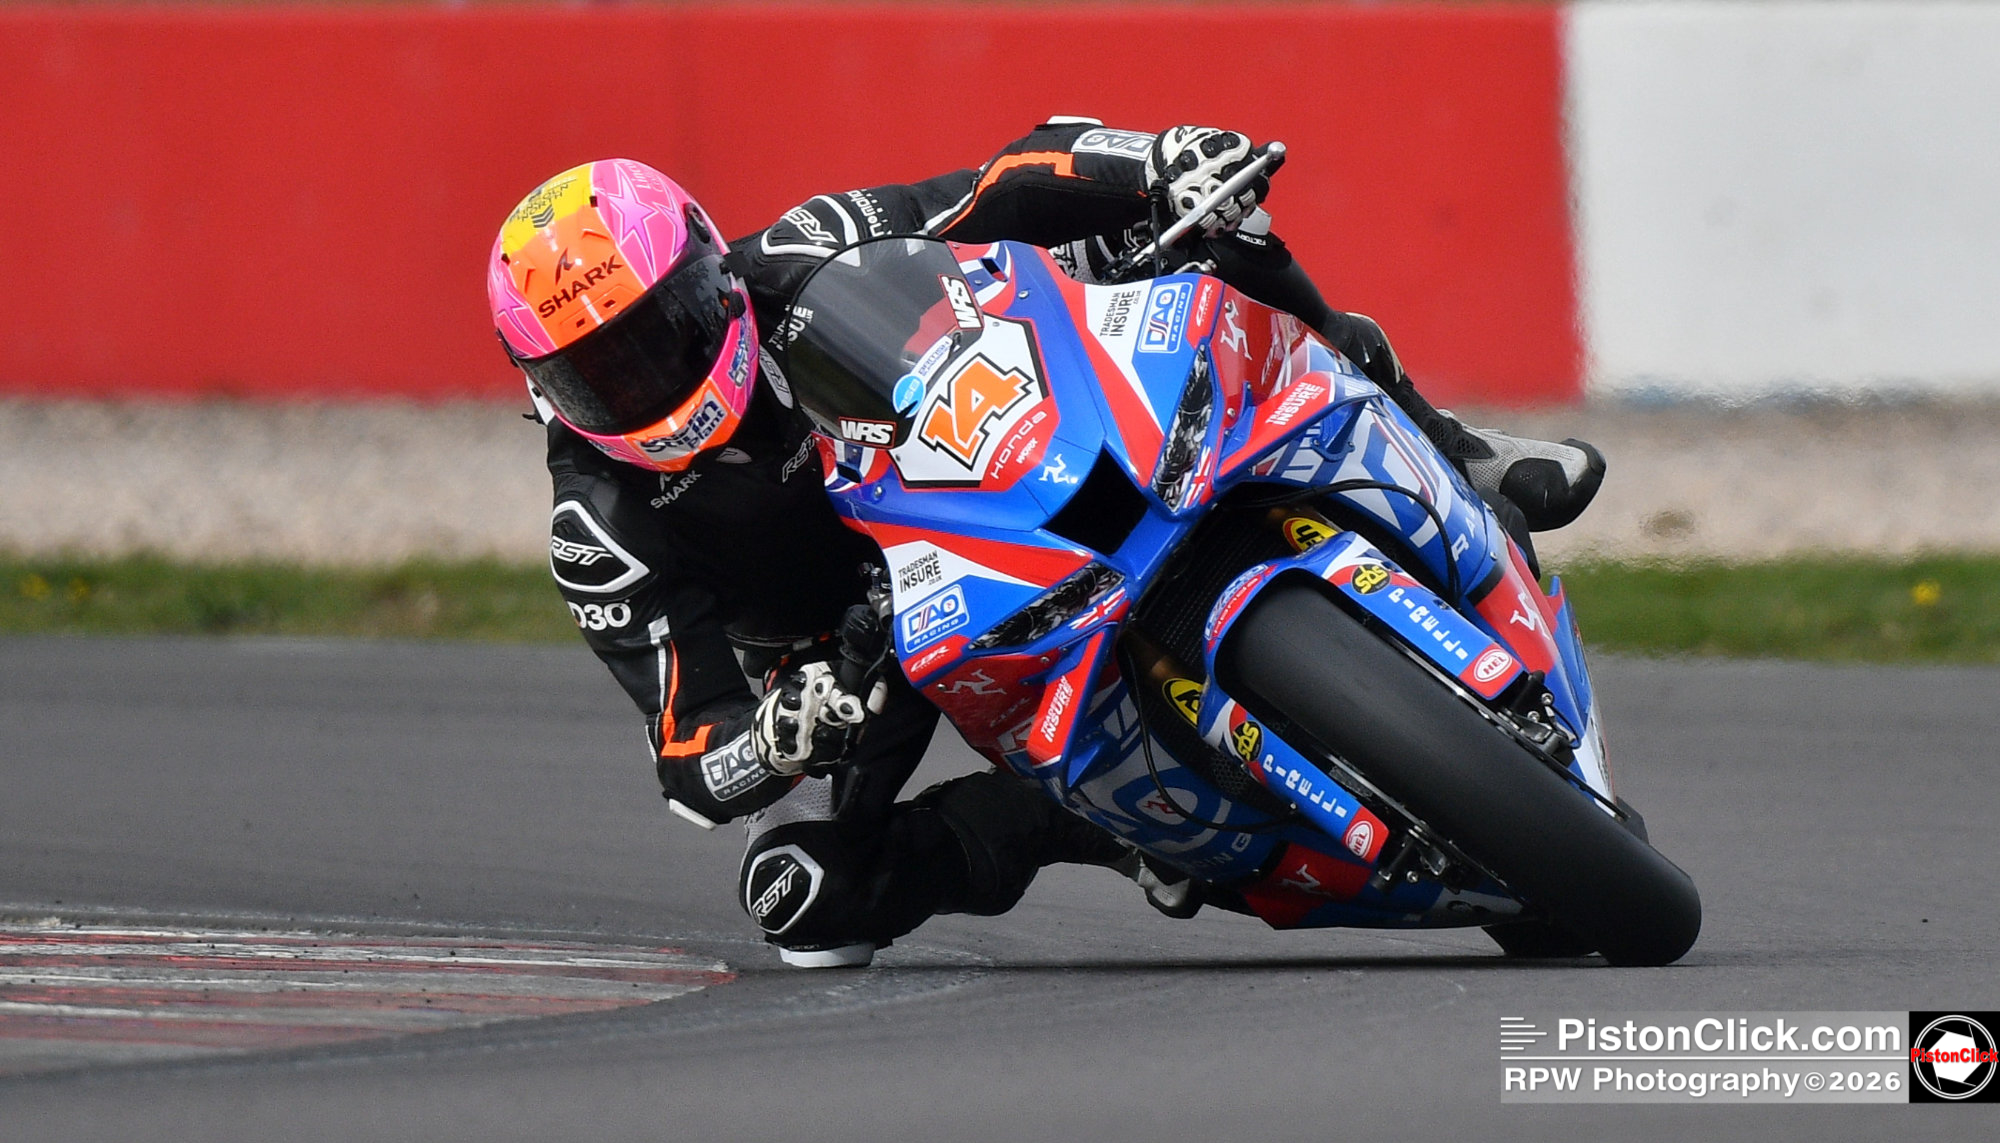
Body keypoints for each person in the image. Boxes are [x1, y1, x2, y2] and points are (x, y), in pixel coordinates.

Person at [485, 121, 1603, 967]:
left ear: (710, 272)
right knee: (803, 905)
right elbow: (687, 758)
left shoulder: (803, 251)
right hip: (847, 657)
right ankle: (1087, 825)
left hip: (975, 496)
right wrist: (776, 736)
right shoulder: (598, 523)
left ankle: (1448, 448)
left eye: (666, 330)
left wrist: (1154, 160)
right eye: (603, 371)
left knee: (1202, 230)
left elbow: (1004, 181)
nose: (651, 378)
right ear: (546, 390)